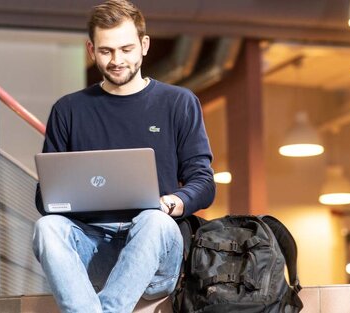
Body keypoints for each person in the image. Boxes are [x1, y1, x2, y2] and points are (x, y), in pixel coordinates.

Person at [32, 1, 215, 312]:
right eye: (106, 51)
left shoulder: (178, 103)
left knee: (153, 219)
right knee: (47, 227)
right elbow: (45, 199)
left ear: (144, 46)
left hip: (155, 255)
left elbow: (204, 182)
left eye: (126, 49)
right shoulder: (69, 109)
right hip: (94, 252)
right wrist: (58, 200)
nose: (117, 60)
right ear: (91, 50)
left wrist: (171, 202)